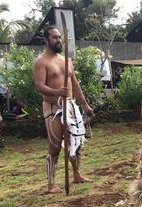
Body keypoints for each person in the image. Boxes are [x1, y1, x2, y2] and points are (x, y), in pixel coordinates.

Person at [33, 25, 94, 194]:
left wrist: (85, 105)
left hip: (70, 106)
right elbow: (39, 85)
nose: (58, 40)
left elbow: (75, 85)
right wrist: (56, 92)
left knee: (74, 142)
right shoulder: (41, 62)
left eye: (59, 37)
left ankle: (77, 174)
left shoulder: (66, 60)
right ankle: (51, 184)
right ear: (46, 40)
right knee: (55, 146)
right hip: (52, 106)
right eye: (54, 37)